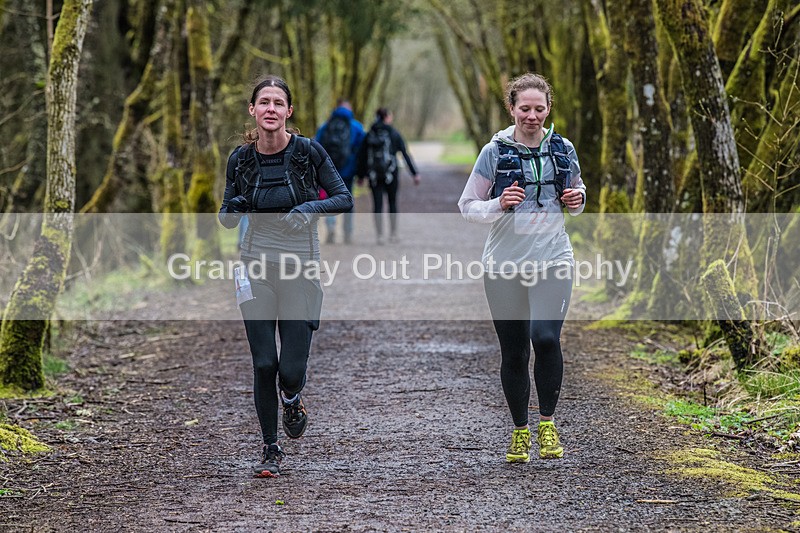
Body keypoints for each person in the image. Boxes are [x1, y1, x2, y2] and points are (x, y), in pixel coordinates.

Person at [218, 76, 353, 477]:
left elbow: (344, 198)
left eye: (279, 102)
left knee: (289, 370)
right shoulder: (239, 159)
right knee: (263, 364)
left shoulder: (308, 152)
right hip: (254, 267)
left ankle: (292, 398)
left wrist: (309, 209)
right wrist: (238, 206)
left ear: (288, 111)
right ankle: (270, 449)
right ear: (253, 110)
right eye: (264, 102)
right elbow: (225, 220)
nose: (271, 109)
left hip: (301, 268)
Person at [457, 73, 586, 463]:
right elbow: (468, 206)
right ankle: (519, 432)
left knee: (545, 338)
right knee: (513, 353)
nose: (532, 115)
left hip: (553, 259)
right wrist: (499, 203)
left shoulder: (563, 148)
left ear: (548, 109)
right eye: (524, 108)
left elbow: (578, 201)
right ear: (512, 109)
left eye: (539, 108)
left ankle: (547, 424)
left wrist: (576, 198)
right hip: (504, 266)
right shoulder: (493, 152)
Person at [357, 108, 420, 245]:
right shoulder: (394, 133)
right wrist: (414, 173)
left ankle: (379, 235)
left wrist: (361, 176)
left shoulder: (369, 134)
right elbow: (404, 154)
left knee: (377, 205)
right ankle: (393, 234)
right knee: (392, 203)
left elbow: (362, 157)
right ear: (386, 117)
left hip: (374, 175)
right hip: (391, 174)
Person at [315, 98, 365, 244]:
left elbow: (317, 148)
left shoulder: (326, 126)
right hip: (348, 171)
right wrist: (361, 173)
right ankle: (347, 233)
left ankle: (331, 227)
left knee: (331, 200)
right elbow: (362, 152)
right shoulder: (356, 127)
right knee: (348, 200)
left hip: (328, 171)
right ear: (349, 109)